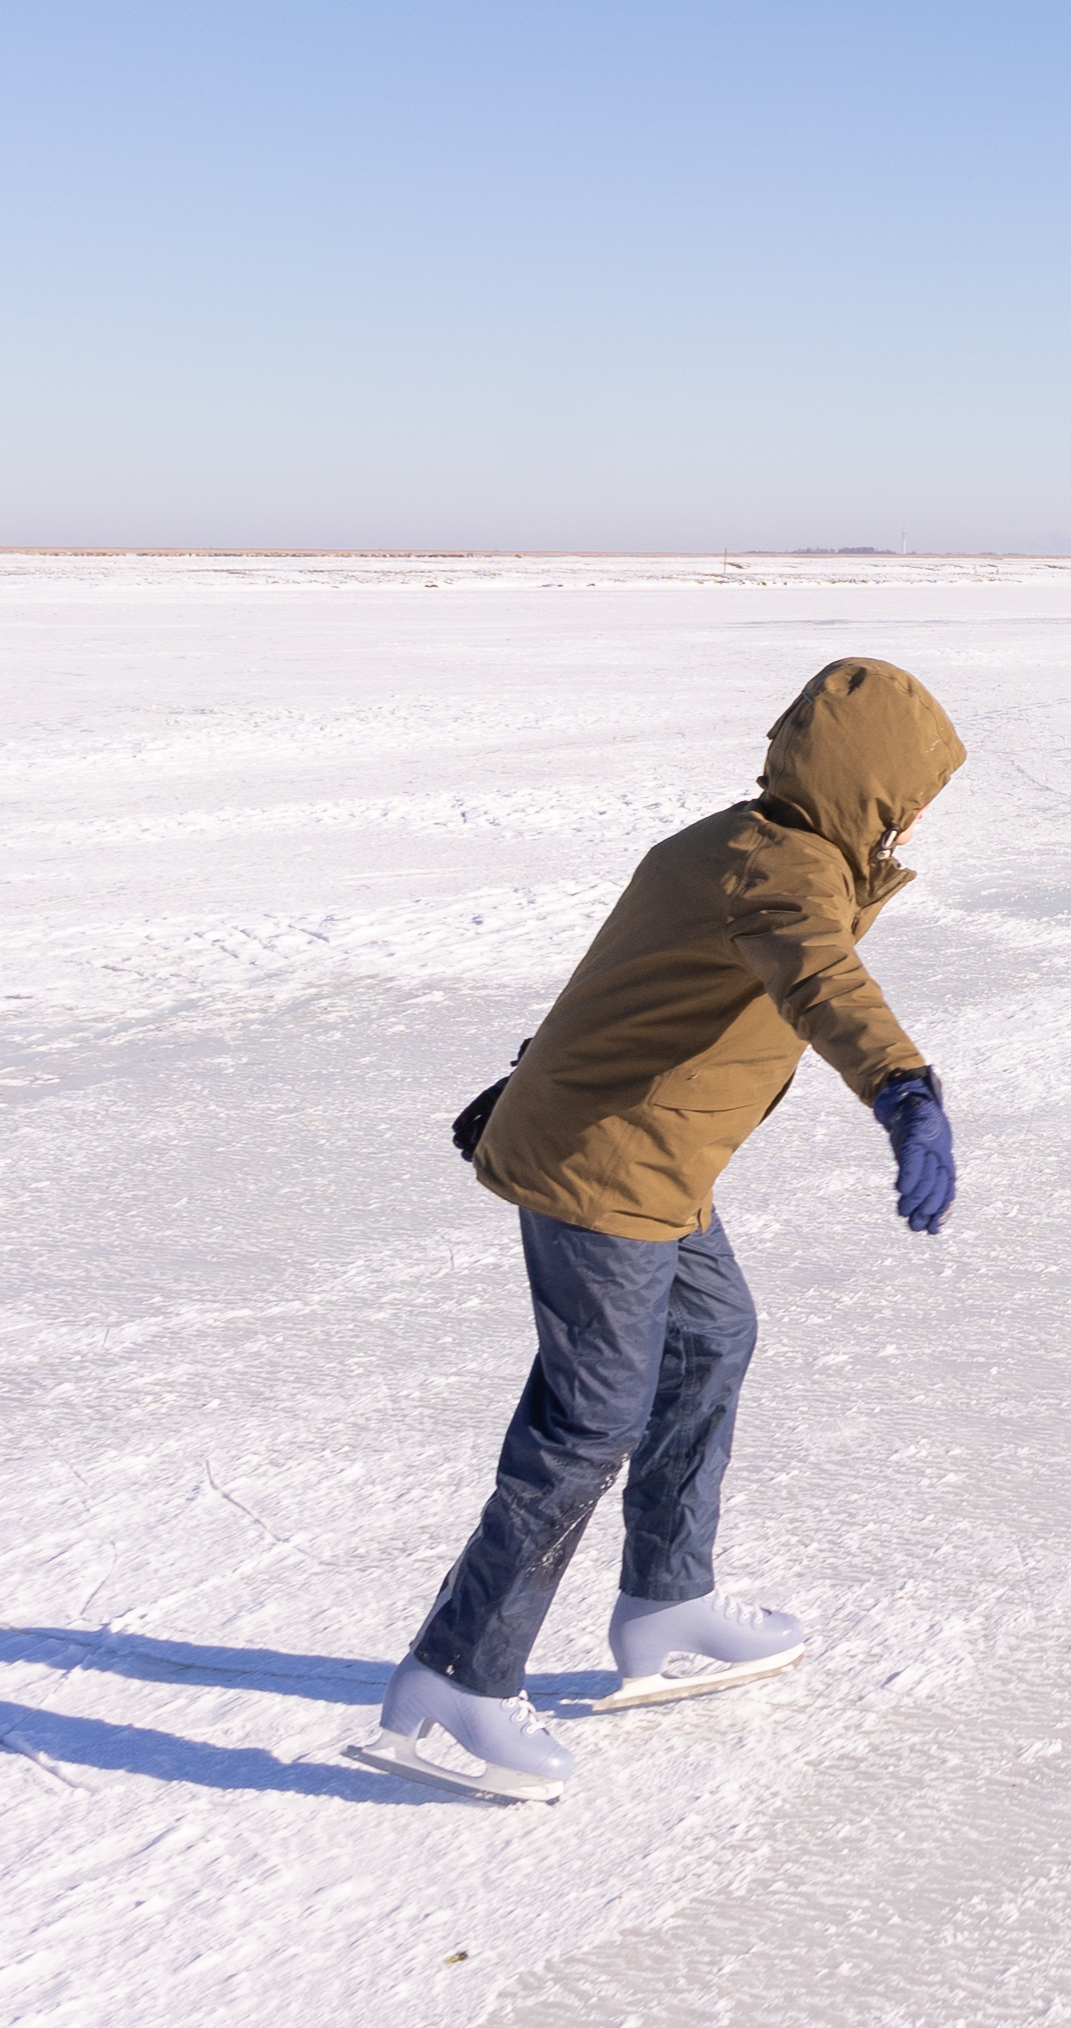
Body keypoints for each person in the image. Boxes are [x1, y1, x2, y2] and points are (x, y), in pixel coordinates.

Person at [355, 656, 969, 1802]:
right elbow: (820, 978)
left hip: (648, 1150)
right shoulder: (778, 874)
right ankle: (458, 1676)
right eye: (909, 792)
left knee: (711, 1338)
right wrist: (903, 1090)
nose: (918, 815)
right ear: (864, 782)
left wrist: (527, 1076)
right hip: (608, 1166)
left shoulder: (740, 842)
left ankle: (665, 1600)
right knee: (589, 1420)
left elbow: (629, 977)